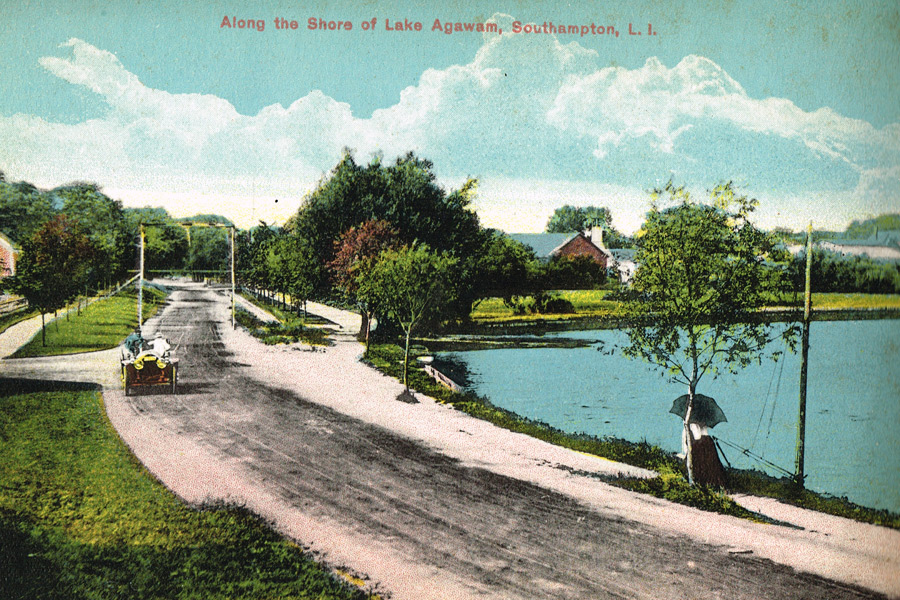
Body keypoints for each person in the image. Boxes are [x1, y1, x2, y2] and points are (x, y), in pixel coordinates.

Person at [682, 421, 727, 488]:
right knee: (710, 465)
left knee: (705, 465)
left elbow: (695, 437)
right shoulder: (696, 423)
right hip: (705, 442)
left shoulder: (691, 423)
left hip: (700, 444)